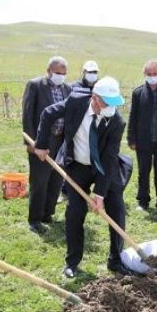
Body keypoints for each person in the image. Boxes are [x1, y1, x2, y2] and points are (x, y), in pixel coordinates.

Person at [32, 77, 131, 278]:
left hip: (104, 168)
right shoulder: (76, 101)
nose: (111, 107)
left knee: (117, 210)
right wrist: (41, 144)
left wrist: (100, 194)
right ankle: (72, 262)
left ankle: (116, 259)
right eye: (107, 102)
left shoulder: (117, 122)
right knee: (74, 214)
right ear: (94, 98)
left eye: (115, 103)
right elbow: (48, 113)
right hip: (78, 165)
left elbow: (109, 158)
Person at [21, 56, 72, 233]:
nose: (61, 76)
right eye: (58, 72)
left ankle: (47, 214)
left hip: (60, 141)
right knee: (40, 181)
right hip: (41, 142)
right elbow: (28, 115)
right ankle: (34, 219)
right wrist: (30, 142)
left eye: (64, 73)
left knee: (56, 179)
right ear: (48, 70)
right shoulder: (35, 85)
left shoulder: (68, 88)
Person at [127, 60, 157, 213]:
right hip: (143, 141)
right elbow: (133, 116)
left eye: (155, 74)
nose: (152, 77)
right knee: (143, 171)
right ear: (144, 74)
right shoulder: (138, 93)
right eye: (149, 74)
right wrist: (131, 138)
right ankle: (143, 201)